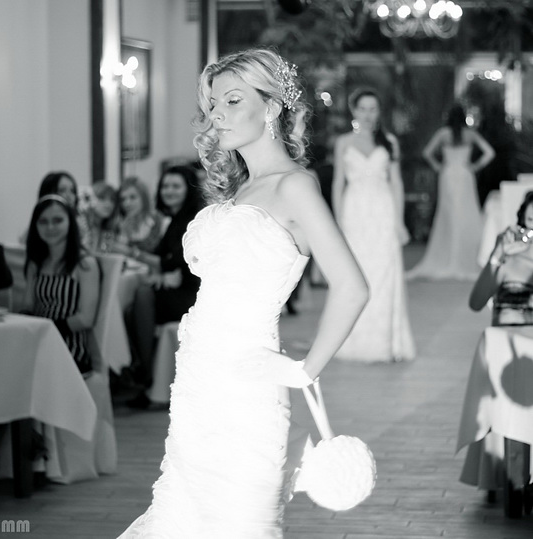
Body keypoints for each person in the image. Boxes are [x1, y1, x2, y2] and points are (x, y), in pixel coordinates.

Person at [117, 48, 369, 538]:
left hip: (247, 388)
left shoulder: (295, 187)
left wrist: (305, 369)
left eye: (233, 101)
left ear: (271, 107)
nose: (218, 115)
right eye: (213, 103)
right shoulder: (239, 192)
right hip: (198, 384)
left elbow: (353, 287)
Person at [331, 87, 415, 363]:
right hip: (354, 212)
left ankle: (386, 343)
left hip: (383, 212)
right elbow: (338, 183)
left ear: (379, 112)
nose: (367, 114)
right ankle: (352, 339)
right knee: (356, 273)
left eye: (373, 109)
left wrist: (399, 221)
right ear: (354, 111)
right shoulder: (343, 142)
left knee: (384, 273)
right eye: (363, 109)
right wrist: (337, 222)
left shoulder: (389, 142)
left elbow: (397, 183)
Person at [461, 191, 533, 499]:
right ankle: (501, 470)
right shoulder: (506, 255)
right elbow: (476, 302)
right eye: (530, 221)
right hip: (503, 346)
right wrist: (497, 257)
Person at [124, 165, 203, 402]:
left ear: (188, 189)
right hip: (179, 289)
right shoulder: (176, 219)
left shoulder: (193, 220)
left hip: (193, 295)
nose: (169, 191)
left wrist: (132, 253)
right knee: (133, 306)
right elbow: (161, 257)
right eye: (165, 186)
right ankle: (143, 371)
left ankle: (147, 374)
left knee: (142, 298)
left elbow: (174, 262)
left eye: (176, 186)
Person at [407, 103, 495, 280]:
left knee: (449, 214)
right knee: (466, 213)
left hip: (448, 175)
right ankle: (467, 256)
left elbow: (427, 153)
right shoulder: (470, 134)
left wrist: (438, 166)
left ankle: (451, 253)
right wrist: (475, 166)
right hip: (464, 174)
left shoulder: (443, 134)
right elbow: (490, 153)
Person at [23, 194, 100, 376]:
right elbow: (28, 306)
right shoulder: (36, 263)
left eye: (57, 220)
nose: (50, 227)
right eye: (43, 222)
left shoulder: (84, 264)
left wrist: (47, 330)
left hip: (71, 348)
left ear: (70, 223)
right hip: (38, 341)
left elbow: (86, 318)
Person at [112, 176, 167, 256]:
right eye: (123, 199)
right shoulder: (123, 223)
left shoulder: (161, 222)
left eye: (132, 197)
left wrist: (131, 252)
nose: (127, 203)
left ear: (144, 198)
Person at [81, 181, 120, 253]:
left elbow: (103, 253)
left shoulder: (108, 227)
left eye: (112, 200)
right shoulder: (82, 223)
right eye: (102, 198)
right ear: (90, 200)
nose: (108, 204)